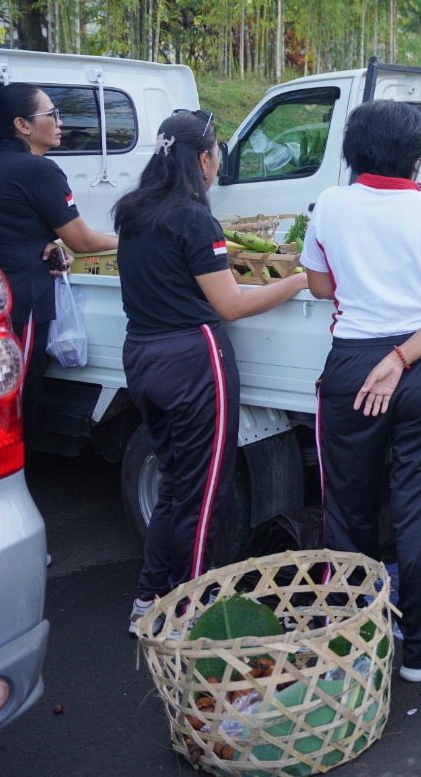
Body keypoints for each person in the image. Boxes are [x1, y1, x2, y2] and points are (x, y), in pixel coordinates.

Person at [300, 100, 421, 682]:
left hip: (353, 365)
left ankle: (352, 651)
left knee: (347, 513)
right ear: (419, 156)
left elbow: (321, 284)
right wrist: (402, 357)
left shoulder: (329, 204)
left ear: (355, 151)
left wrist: (382, 355)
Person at [117, 112, 309, 635]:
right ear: (202, 159)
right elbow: (230, 303)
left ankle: (147, 601)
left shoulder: (132, 211)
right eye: (217, 152)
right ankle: (188, 612)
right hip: (192, 360)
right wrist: (296, 284)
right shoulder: (194, 219)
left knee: (176, 489)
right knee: (204, 496)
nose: (218, 162)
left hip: (143, 355)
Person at [0, 83, 118, 444]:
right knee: (16, 405)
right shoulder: (38, 170)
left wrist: (51, 243)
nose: (60, 123)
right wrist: (139, 240)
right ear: (23, 125)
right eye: (52, 115)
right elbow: (85, 240)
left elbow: (12, 230)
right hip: (21, 305)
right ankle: (14, 485)